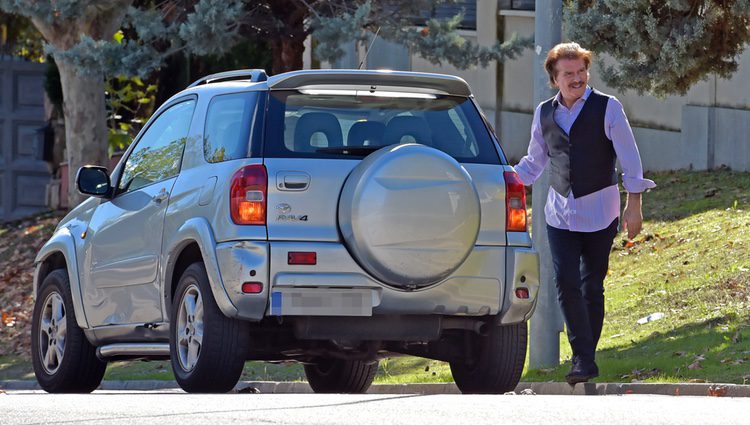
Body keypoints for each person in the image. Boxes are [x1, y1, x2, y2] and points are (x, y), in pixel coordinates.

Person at [514, 42, 656, 385]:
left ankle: (585, 357)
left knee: (592, 284)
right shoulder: (544, 113)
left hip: (600, 211)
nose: (576, 79)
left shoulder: (608, 108)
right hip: (559, 214)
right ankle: (583, 358)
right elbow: (534, 162)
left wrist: (633, 205)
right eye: (568, 74)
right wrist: (505, 180)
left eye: (581, 72)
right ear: (554, 78)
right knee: (566, 282)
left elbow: (630, 158)